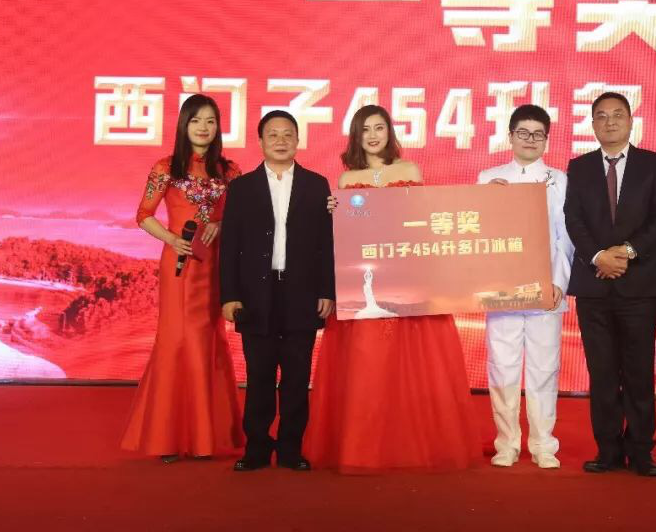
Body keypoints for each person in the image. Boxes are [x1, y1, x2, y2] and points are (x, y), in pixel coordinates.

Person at [304, 104, 481, 473]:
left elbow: (419, 222)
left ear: (389, 132)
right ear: (356, 136)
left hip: (406, 279)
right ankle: (362, 449)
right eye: (365, 129)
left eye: (379, 127)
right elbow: (345, 236)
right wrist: (332, 212)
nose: (373, 135)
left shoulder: (409, 171)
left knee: (413, 365)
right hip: (363, 282)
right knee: (366, 365)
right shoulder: (347, 180)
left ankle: (411, 447)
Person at [121, 94, 244, 462]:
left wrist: (222, 223)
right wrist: (172, 239)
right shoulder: (166, 168)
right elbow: (143, 215)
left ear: (218, 126)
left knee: (206, 341)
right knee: (175, 340)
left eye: (210, 121)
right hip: (178, 265)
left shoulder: (229, 171)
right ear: (183, 125)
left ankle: (205, 438)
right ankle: (168, 437)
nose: (203, 127)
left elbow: (244, 217)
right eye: (196, 120)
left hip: (214, 266)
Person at [563, 92, 656, 477]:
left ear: (630, 121)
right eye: (601, 116)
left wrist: (626, 251)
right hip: (594, 287)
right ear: (592, 124)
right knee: (603, 374)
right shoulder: (579, 168)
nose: (609, 122)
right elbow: (573, 220)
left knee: (639, 372)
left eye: (617, 115)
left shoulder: (654, 165)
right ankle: (608, 450)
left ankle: (641, 451)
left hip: (638, 285)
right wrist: (599, 256)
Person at [219, 110, 335, 472]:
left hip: (302, 293)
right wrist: (229, 295)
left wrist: (327, 290)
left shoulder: (317, 185)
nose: (281, 141)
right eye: (273, 134)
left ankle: (290, 450)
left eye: (288, 134)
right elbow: (230, 246)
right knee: (260, 377)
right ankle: (256, 449)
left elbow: (326, 244)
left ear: (298, 140)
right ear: (260, 141)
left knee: (297, 379)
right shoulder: (242, 188)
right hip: (256, 295)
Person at [476, 104, 572, 469]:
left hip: (545, 289)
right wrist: (486, 202)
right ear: (510, 136)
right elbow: (476, 231)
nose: (530, 140)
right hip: (502, 289)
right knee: (502, 368)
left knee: (544, 369)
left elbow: (565, 237)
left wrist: (559, 281)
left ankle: (544, 444)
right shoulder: (488, 178)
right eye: (523, 133)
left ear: (546, 140)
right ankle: (507, 443)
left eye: (537, 134)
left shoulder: (559, 180)